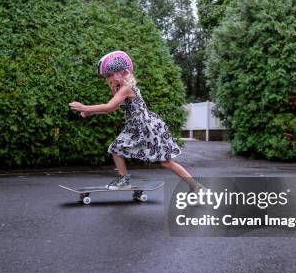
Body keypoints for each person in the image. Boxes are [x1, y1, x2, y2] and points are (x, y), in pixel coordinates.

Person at [69, 50, 204, 191]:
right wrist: (89, 112)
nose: (107, 79)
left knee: (165, 162)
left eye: (109, 75)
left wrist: (85, 107)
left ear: (120, 73)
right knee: (117, 148)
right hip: (139, 125)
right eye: (106, 76)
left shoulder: (126, 88)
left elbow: (110, 106)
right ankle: (195, 187)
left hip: (146, 126)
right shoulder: (122, 89)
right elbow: (112, 108)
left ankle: (196, 187)